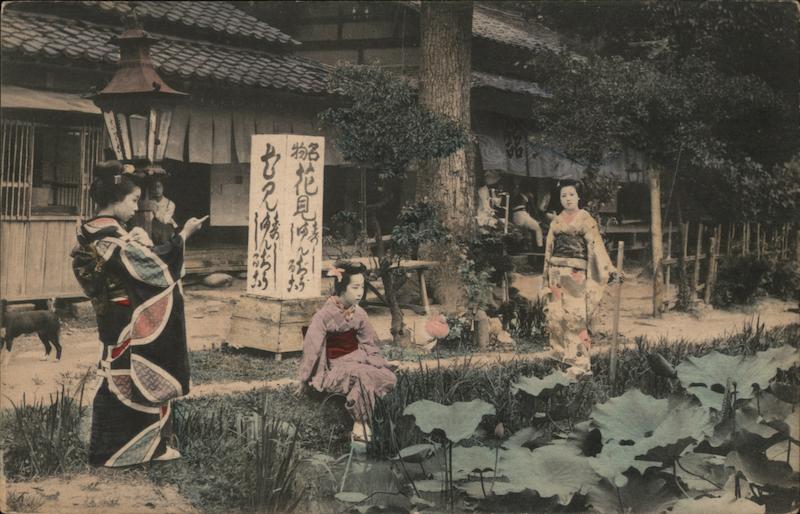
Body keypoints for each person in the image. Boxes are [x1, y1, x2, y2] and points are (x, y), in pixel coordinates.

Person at [71, 160, 206, 467]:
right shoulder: (110, 235)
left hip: (115, 314)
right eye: (133, 200)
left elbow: (136, 259)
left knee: (117, 377)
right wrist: (184, 235)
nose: (136, 207)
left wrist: (140, 241)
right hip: (127, 316)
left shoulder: (95, 230)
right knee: (134, 376)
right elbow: (153, 268)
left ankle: (110, 450)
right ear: (115, 200)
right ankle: (141, 451)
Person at [296, 261, 397, 443]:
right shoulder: (323, 316)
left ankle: (363, 408)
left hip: (358, 362)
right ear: (342, 288)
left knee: (389, 377)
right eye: (355, 287)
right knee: (364, 376)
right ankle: (360, 424)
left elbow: (369, 344)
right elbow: (312, 350)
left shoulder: (360, 313)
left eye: (362, 287)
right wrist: (304, 379)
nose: (360, 293)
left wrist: (379, 362)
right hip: (335, 369)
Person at [542, 180, 622, 378]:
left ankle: (581, 363)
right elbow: (549, 250)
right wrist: (546, 276)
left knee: (575, 317)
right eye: (563, 195)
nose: (568, 199)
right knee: (556, 316)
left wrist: (609, 269)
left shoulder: (586, 219)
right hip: (555, 272)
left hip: (575, 274)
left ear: (578, 197)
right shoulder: (556, 221)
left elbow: (596, 247)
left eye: (571, 194)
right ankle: (561, 359)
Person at [148, 179, 178, 246]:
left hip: (166, 227)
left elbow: (165, 220)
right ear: (152, 189)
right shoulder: (149, 203)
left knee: (164, 230)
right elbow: (149, 219)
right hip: (153, 227)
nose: (157, 190)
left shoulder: (170, 203)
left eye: (159, 187)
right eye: (154, 187)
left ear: (163, 188)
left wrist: (156, 211)